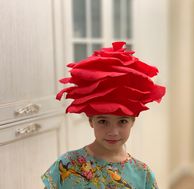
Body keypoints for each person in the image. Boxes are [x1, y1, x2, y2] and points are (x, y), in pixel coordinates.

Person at [41, 41, 166, 189]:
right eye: (103, 121)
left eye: (122, 121)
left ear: (133, 121)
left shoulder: (142, 174)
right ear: (91, 120)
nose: (113, 132)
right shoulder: (67, 164)